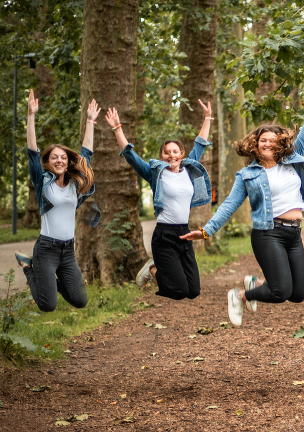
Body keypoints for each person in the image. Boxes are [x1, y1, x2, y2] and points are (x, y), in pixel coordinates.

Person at [181, 80, 304, 327]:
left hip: (294, 233)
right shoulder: (248, 174)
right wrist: (207, 231)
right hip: (268, 234)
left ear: (281, 143)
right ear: (255, 145)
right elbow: (229, 204)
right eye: (263, 140)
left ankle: (256, 284)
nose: (268, 143)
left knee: (297, 294)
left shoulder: (291, 160)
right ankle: (239, 295)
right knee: (280, 293)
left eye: (273, 140)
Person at [106, 100, 213, 301]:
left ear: (181, 154)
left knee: (193, 291)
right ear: (161, 156)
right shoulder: (156, 174)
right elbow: (131, 156)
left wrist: (207, 118)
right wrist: (117, 128)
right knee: (179, 291)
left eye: (175, 151)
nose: (171, 155)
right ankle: (153, 268)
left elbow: (200, 144)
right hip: (164, 235)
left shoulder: (189, 169)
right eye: (166, 152)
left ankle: (156, 267)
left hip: (185, 233)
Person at [15, 90, 100, 312]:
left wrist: (90, 121)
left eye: (63, 157)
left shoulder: (75, 183)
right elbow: (32, 152)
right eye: (54, 157)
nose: (60, 160)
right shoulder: (43, 181)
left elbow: (86, 155)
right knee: (47, 305)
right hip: (46, 249)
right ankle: (28, 266)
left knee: (80, 301)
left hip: (67, 250)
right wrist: (31, 116)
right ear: (48, 162)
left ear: (68, 161)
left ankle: (49, 282)